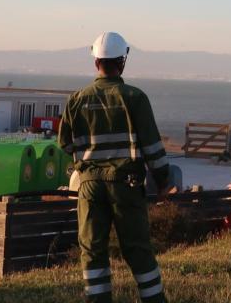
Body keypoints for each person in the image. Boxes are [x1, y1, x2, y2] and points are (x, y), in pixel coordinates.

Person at [59, 32, 170, 303]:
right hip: (126, 184)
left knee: (92, 250)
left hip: (89, 186)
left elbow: (64, 143)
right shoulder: (135, 97)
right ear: (122, 61)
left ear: (96, 60)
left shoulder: (77, 99)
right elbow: (152, 146)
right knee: (137, 249)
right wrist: (164, 180)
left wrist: (86, 165)